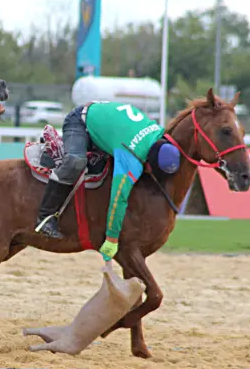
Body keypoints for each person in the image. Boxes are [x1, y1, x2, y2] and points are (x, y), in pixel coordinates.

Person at [35, 101, 181, 262]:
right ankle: (45, 216)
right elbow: (119, 198)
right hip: (80, 121)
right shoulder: (130, 158)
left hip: (107, 122)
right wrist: (111, 239)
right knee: (75, 162)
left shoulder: (158, 134)